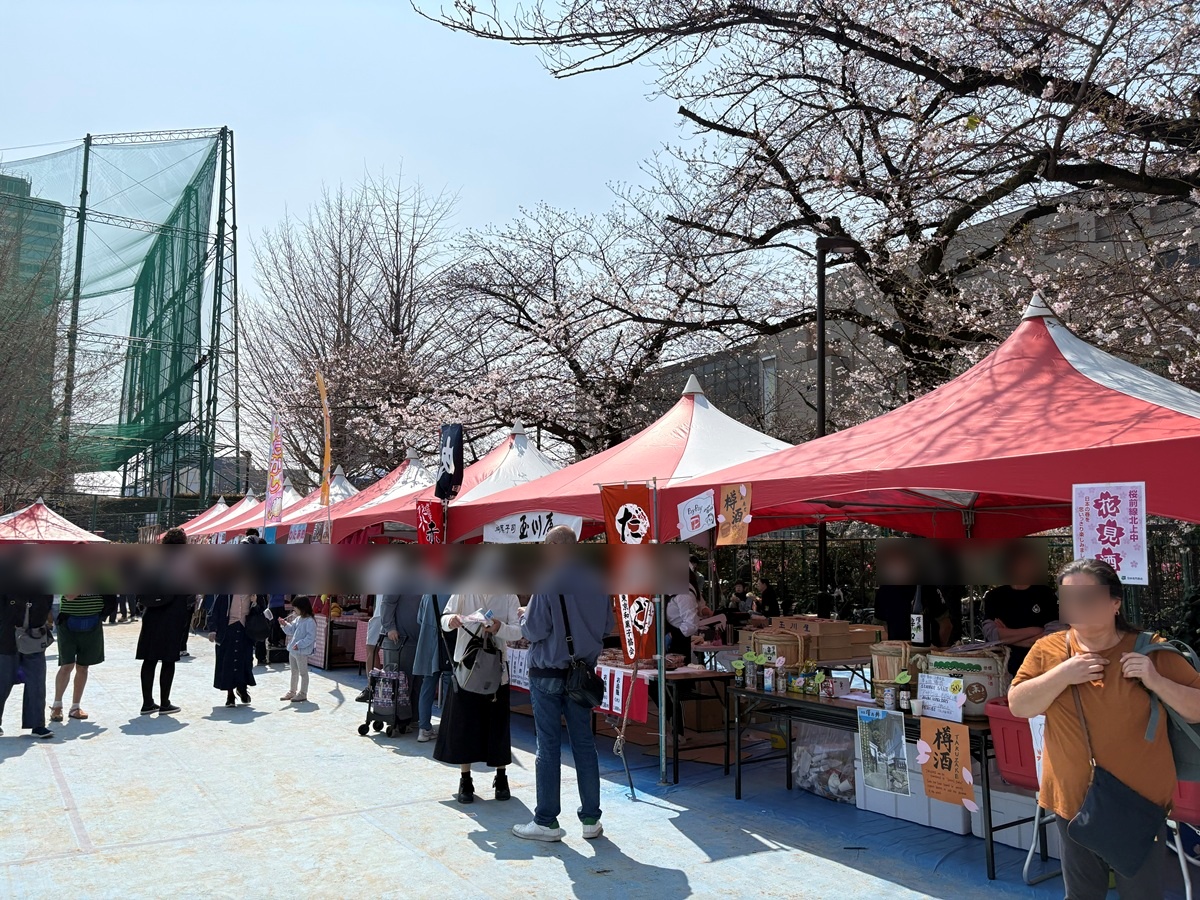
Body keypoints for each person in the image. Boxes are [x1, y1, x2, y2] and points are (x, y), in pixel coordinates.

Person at [1009, 558, 1200, 899]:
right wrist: (1064, 673)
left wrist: (1154, 680)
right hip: (1073, 802)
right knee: (1082, 895)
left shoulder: (1150, 650)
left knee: (1141, 895)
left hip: (1139, 804)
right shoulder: (1049, 650)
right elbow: (1020, 704)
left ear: (1114, 602)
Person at [513, 525, 613, 843]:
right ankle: (590, 818)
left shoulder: (548, 578)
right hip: (582, 672)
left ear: (556, 546)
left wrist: (524, 616)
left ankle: (546, 820)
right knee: (584, 745)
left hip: (548, 672)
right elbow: (608, 626)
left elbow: (534, 630)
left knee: (549, 746)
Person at [434, 592, 522, 803]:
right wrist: (451, 620)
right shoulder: (463, 592)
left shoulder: (508, 595)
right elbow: (444, 619)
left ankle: (501, 778)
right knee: (465, 724)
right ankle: (466, 779)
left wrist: (499, 627)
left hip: (496, 671)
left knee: (498, 724)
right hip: (467, 668)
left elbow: (518, 632)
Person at [135, 527, 192, 716]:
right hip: (173, 614)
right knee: (168, 660)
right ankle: (165, 702)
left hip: (152, 614)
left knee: (149, 659)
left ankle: (147, 703)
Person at [983, 548, 1062, 675]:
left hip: (1039, 664)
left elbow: (1054, 634)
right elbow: (991, 635)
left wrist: (1008, 638)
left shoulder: (1046, 594)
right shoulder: (994, 596)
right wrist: (1035, 631)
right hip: (1003, 667)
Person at [0, 593, 55, 738]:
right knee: (2, 682)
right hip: (7, 638)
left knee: (36, 682)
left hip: (34, 638)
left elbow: (47, 601)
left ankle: (38, 725)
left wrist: (38, 622)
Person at [51, 592, 111, 722]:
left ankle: (75, 707)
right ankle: (57, 705)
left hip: (93, 622)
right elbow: (69, 595)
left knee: (83, 666)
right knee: (67, 665)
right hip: (68, 623)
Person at [412, 593, 452, 743]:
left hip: (428, 643)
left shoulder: (428, 593)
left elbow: (419, 619)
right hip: (448, 645)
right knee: (449, 686)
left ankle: (424, 729)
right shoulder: (455, 594)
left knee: (427, 685)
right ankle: (447, 728)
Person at [208, 591, 256, 708]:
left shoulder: (255, 594)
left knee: (245, 661)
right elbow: (215, 611)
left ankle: (242, 688)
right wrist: (213, 629)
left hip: (245, 631)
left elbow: (263, 612)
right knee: (227, 662)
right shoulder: (225, 593)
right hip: (228, 630)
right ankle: (230, 694)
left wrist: (254, 603)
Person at [279, 596, 316, 703]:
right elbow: (291, 630)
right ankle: (292, 691)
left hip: (301, 651)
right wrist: (284, 624)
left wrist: (299, 644)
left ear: (302, 608)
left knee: (303, 673)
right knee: (294, 672)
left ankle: (303, 693)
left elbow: (310, 637)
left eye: (295, 608)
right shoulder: (298, 619)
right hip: (293, 650)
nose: (294, 610)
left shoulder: (310, 621)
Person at [356, 599, 384, 703]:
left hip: (382, 612)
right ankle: (373, 686)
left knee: (372, 649)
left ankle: (372, 687)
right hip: (385, 611)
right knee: (372, 649)